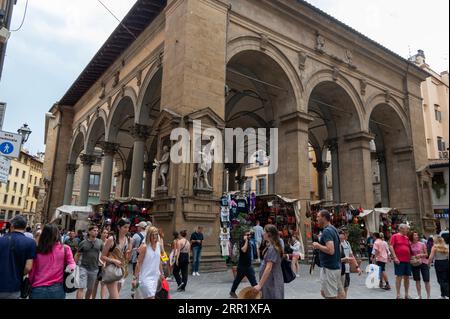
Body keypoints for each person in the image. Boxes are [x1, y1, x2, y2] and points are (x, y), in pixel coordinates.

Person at [29, 224, 76, 299]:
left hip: (38, 288)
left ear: (43, 234)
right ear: (57, 234)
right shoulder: (65, 248)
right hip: (57, 289)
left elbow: (32, 271)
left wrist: (31, 283)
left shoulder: (37, 249)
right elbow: (72, 266)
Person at [0, 215, 36, 299]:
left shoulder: (1, 240)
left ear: (12, 225)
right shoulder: (30, 243)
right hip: (14, 286)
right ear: (25, 226)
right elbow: (28, 267)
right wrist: (18, 273)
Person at [312, 210, 344, 299]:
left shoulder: (327, 231)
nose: (316, 219)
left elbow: (331, 250)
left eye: (318, 217)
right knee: (328, 293)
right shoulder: (333, 229)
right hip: (335, 267)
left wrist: (318, 245)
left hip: (329, 269)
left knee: (331, 296)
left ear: (324, 218)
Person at [101, 218, 132, 299]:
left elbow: (127, 258)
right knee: (115, 297)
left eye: (128, 227)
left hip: (122, 271)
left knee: (113, 296)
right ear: (119, 227)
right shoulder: (111, 239)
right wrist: (114, 260)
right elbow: (102, 256)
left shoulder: (128, 240)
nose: (127, 229)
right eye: (125, 227)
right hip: (111, 271)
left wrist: (129, 253)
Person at [132, 226, 164, 299]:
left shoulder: (159, 246)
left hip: (155, 277)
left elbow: (159, 261)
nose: (154, 236)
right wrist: (134, 278)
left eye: (156, 234)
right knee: (151, 297)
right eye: (152, 234)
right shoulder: (144, 247)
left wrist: (162, 274)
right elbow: (139, 263)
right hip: (145, 277)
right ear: (149, 235)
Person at [253, 224, 284, 299]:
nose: (262, 233)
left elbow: (268, 267)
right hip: (269, 281)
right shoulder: (271, 246)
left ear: (269, 234)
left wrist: (260, 285)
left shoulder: (272, 248)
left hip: (272, 282)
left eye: (264, 231)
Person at [75, 225, 103, 299]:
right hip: (83, 267)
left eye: (97, 231)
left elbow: (103, 254)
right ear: (89, 232)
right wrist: (74, 266)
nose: (96, 232)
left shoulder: (100, 242)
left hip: (94, 269)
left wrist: (102, 262)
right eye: (94, 230)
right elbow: (77, 255)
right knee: (81, 287)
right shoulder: (83, 243)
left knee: (90, 289)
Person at [229, 231, 258, 298]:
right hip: (242, 266)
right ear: (244, 235)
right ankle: (232, 292)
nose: (249, 236)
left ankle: (258, 293)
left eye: (249, 235)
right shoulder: (242, 242)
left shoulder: (250, 242)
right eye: (247, 235)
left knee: (253, 281)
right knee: (237, 280)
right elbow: (244, 250)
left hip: (248, 266)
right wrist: (246, 241)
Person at [389, 224, 412, 299]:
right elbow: (391, 246)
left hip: (407, 260)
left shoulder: (406, 238)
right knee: (399, 277)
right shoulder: (395, 236)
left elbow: (409, 248)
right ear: (401, 229)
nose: (407, 230)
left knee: (407, 277)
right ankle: (398, 294)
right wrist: (395, 257)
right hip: (399, 259)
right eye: (406, 229)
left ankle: (406, 294)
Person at [92, 228, 109, 299]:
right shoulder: (97, 241)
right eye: (104, 233)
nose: (105, 234)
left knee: (103, 283)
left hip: (105, 265)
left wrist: (105, 263)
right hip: (96, 265)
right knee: (95, 283)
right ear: (101, 233)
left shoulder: (109, 242)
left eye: (107, 233)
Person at [339, 230, 356, 299]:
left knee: (346, 288)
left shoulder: (347, 243)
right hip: (339, 270)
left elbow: (351, 255)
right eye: (345, 234)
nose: (346, 236)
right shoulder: (337, 244)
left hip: (347, 269)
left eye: (346, 234)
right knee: (340, 290)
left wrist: (357, 266)